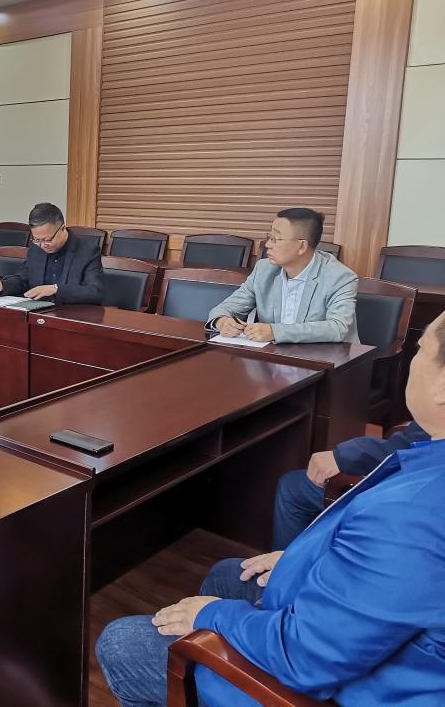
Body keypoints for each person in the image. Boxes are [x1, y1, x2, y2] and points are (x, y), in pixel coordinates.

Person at [96, 312, 445, 707]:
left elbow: (307, 658)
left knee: (122, 642)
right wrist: (307, 557)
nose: (413, 360)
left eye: (421, 349)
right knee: (228, 575)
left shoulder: (411, 515)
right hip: (365, 644)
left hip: (339, 685)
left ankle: (205, 664)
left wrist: (215, 617)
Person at [271, 420, 431, 549]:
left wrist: (346, 456)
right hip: (420, 485)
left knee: (291, 488)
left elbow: (412, 447)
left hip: (409, 493)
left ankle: (283, 572)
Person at [207, 208, 358, 343]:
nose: (267, 245)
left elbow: (338, 328)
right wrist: (221, 322)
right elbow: (227, 307)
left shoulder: (340, 277)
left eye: (275, 239)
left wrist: (275, 332)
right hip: (274, 358)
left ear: (301, 246)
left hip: (327, 359)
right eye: (269, 237)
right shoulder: (264, 270)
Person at [0, 203, 106, 304]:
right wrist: (2, 285)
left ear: (62, 228)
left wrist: (56, 289)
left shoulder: (87, 251)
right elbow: (23, 279)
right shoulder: (36, 249)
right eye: (37, 240)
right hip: (38, 315)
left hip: (72, 316)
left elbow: (95, 292)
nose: (42, 245)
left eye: (48, 240)